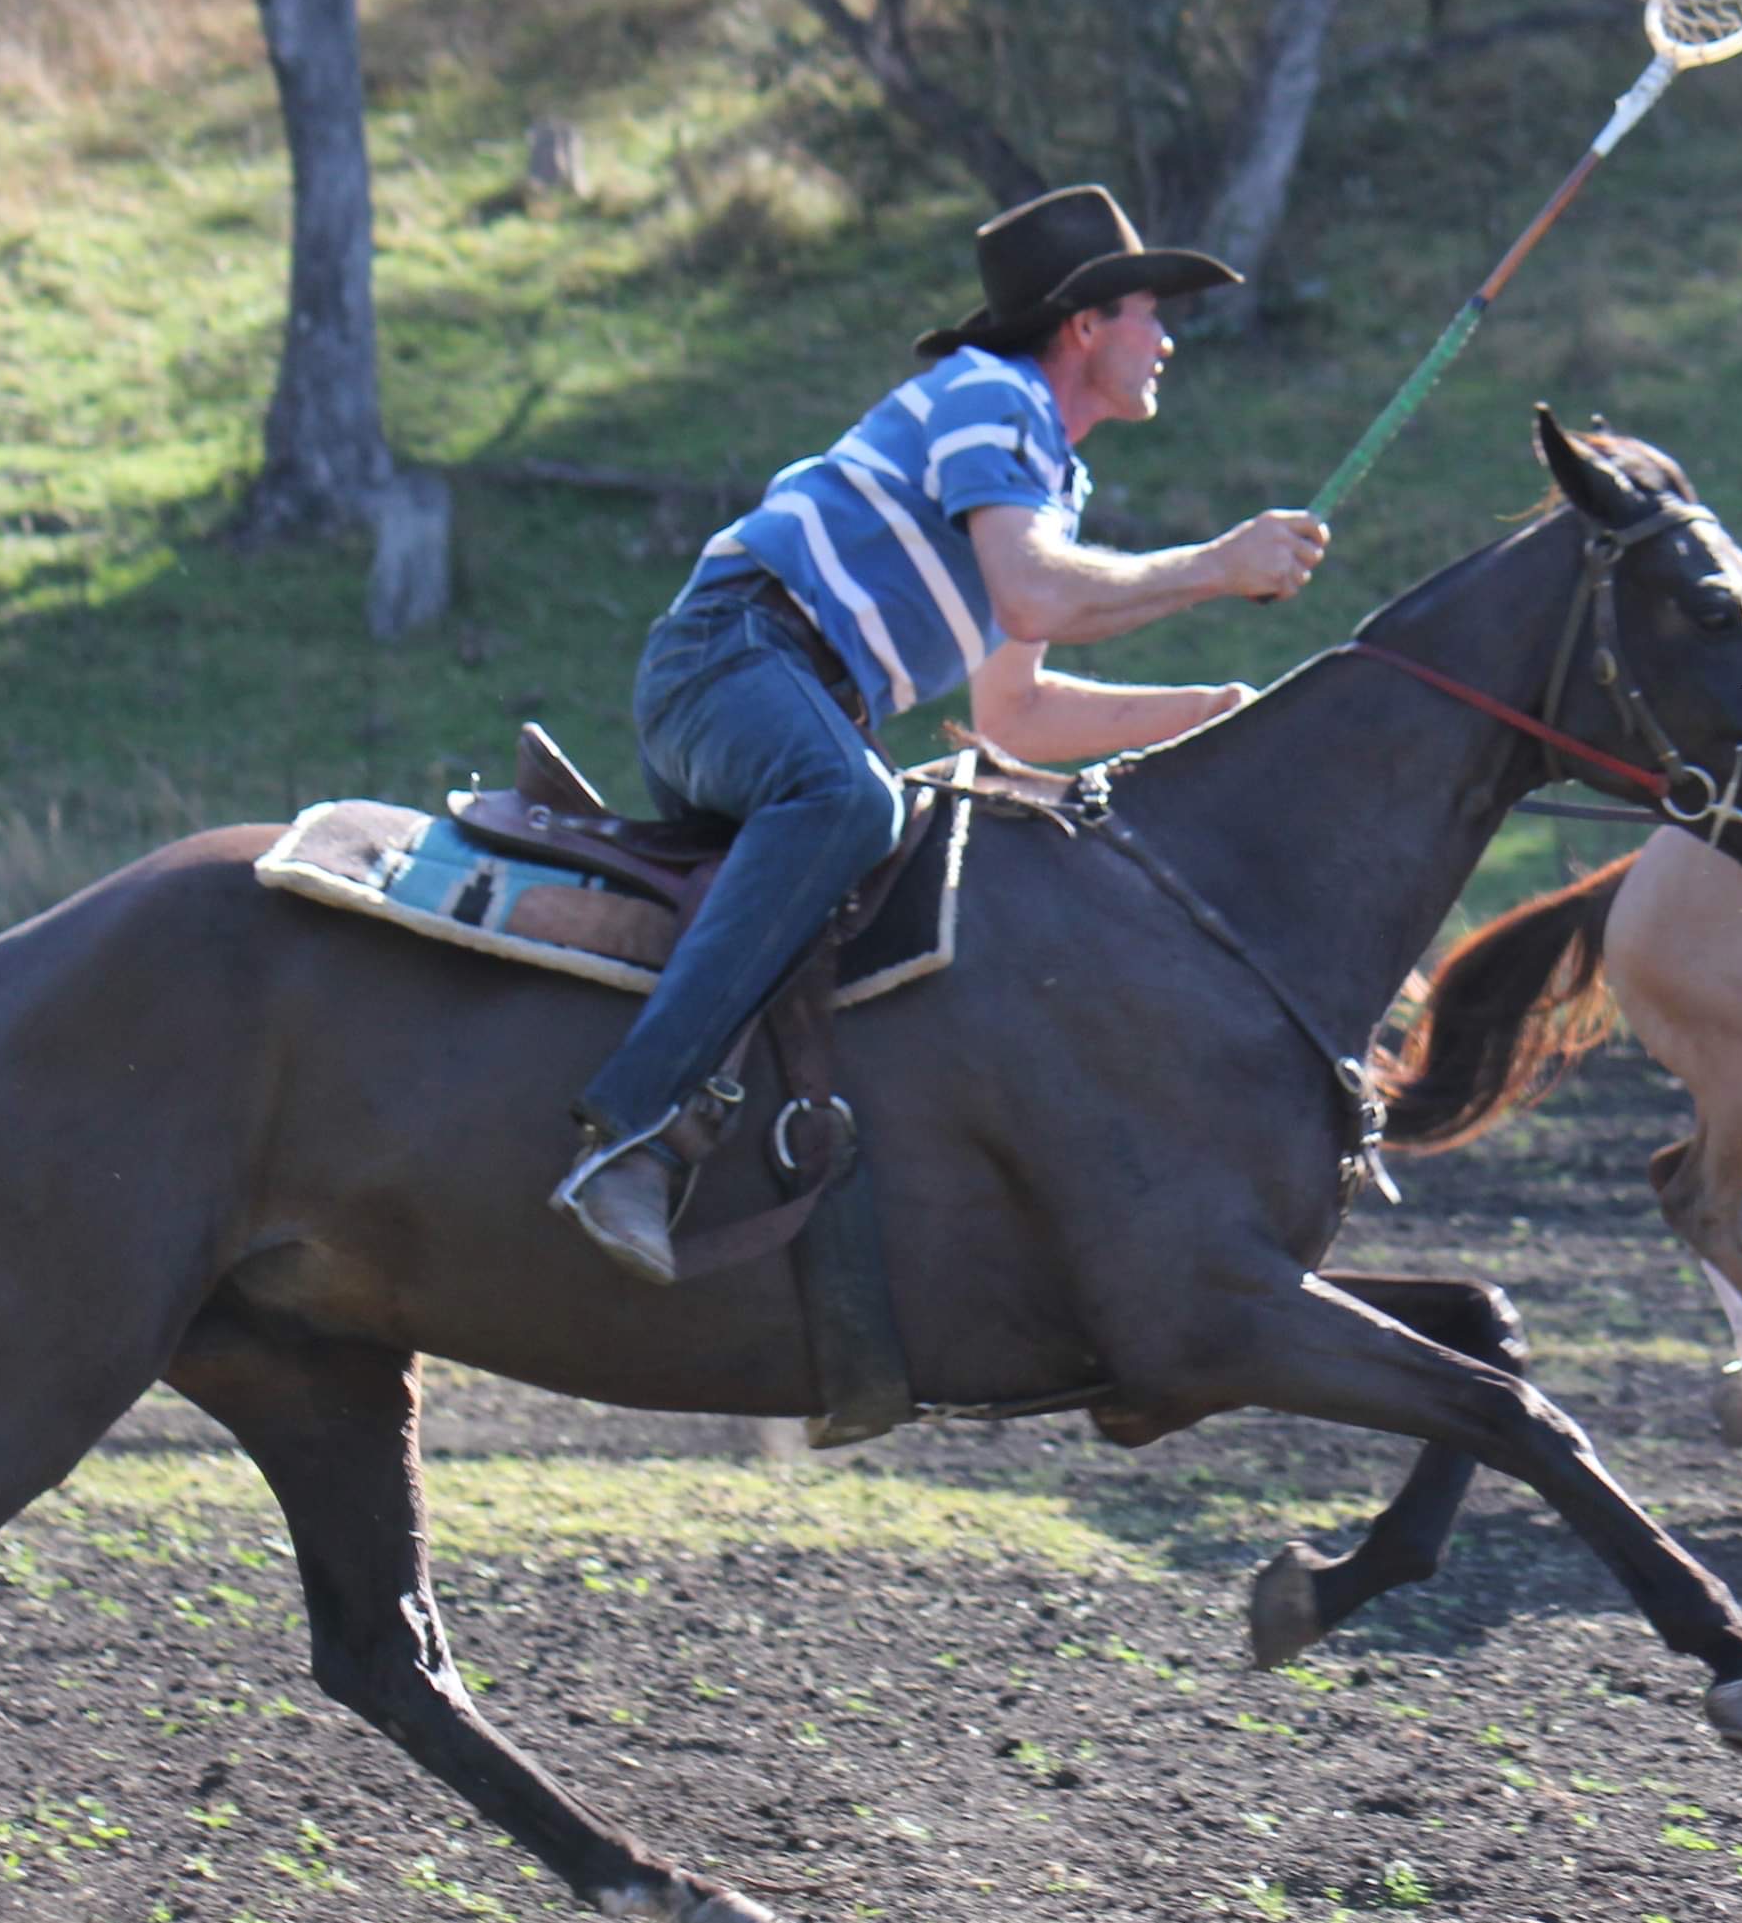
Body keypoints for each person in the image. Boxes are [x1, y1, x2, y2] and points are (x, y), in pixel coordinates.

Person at [555, 184, 1331, 1279]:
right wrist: (1215, 565)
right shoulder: (988, 394)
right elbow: (1033, 595)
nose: (1167, 341)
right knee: (851, 802)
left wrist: (1204, 715)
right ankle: (631, 1131)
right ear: (1084, 325)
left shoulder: (1043, 472)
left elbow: (1015, 711)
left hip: (773, 693)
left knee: (859, 816)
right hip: (733, 661)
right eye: (1149, 314)